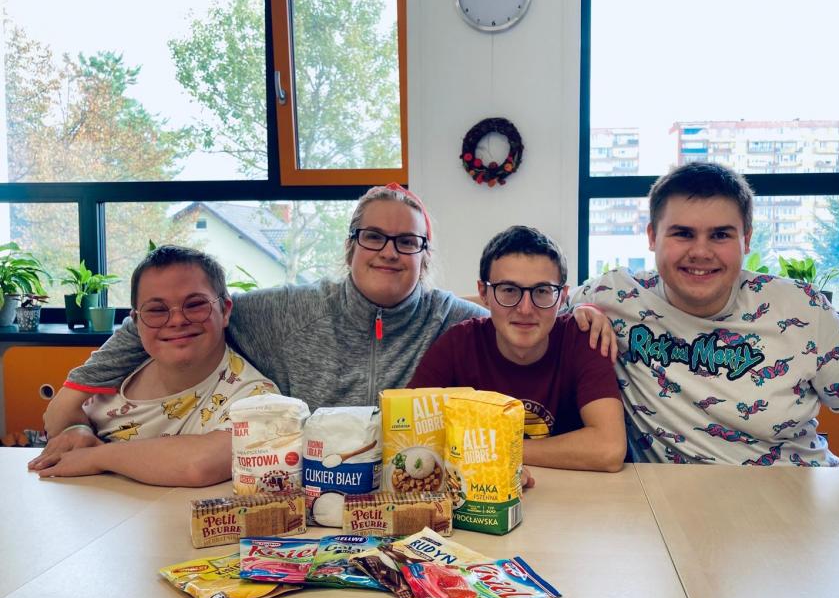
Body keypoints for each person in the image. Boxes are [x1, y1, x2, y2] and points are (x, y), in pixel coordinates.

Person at [34, 184, 613, 473]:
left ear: (424, 254)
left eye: (407, 241)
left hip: (400, 500)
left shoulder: (452, 319)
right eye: (374, 237)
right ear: (351, 246)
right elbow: (182, 312)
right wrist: (78, 404)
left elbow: (516, 313)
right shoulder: (286, 309)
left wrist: (577, 313)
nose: (389, 251)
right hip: (300, 503)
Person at [570, 161, 839, 465]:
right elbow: (540, 308)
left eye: (720, 235)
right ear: (652, 237)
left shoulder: (801, 309)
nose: (701, 252)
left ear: (746, 239)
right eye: (682, 233)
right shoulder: (614, 296)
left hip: (799, 498)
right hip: (678, 508)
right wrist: (582, 312)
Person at [29, 246, 277, 485]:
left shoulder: (255, 397)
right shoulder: (119, 370)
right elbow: (58, 418)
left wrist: (96, 456)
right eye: (157, 310)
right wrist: (78, 429)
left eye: (195, 305)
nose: (177, 320)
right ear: (136, 322)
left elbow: (199, 465)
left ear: (225, 311)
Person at [409, 226, 626, 473]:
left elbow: (609, 449)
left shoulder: (582, 338)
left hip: (572, 492)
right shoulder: (457, 344)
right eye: (509, 290)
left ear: (562, 296)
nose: (525, 309)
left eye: (542, 291)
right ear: (484, 293)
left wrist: (494, 451)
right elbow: (407, 430)